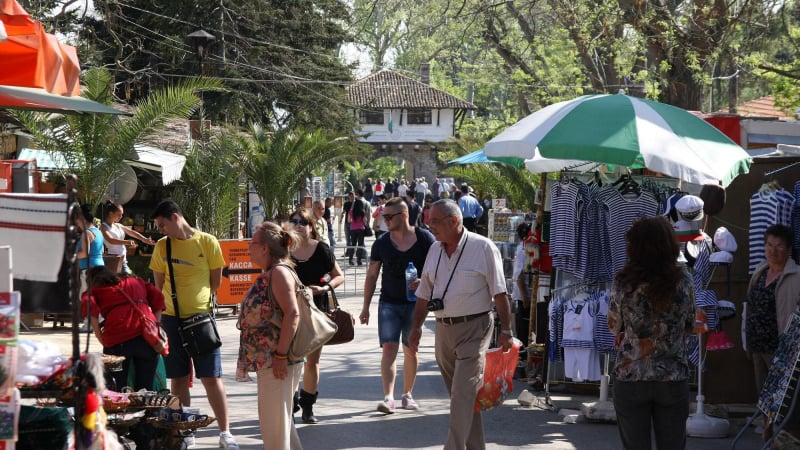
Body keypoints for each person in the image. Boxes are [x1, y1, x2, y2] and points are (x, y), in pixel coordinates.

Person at [409, 199, 513, 450]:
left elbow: (500, 292)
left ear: (454, 221)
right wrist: (416, 328)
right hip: (443, 329)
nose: (429, 225)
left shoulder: (483, 247)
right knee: (465, 398)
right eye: (428, 220)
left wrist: (507, 330)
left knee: (462, 394)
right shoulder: (434, 249)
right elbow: (424, 292)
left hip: (474, 328)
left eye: (435, 221)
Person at [148, 200, 239, 450]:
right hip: (170, 320)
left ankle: (225, 433)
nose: (161, 230)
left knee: (211, 377)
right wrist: (157, 322)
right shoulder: (161, 246)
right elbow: (157, 287)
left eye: (162, 224)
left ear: (175, 218)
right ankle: (183, 431)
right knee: (177, 379)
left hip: (201, 320)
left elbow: (215, 282)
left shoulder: (207, 242)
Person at [607, 216, 695, 450]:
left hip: (631, 375)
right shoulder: (684, 281)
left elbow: (614, 326)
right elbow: (689, 325)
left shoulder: (623, 282)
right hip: (672, 376)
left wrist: (628, 332)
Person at [360, 197, 435, 414]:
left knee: (411, 348)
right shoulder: (382, 242)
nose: (385, 221)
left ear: (403, 216)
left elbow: (438, 268)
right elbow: (372, 275)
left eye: (388, 217)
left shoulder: (424, 238)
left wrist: (426, 282)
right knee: (389, 349)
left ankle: (407, 394)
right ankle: (388, 397)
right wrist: (365, 306)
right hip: (389, 303)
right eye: (383, 216)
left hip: (416, 304)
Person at [236, 222, 303, 450]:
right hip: (273, 361)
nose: (248, 247)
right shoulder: (274, 272)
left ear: (265, 248)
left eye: (252, 243)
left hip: (277, 362)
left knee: (275, 433)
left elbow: (292, 314)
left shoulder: (279, 273)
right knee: (282, 429)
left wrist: (281, 356)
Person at [287, 209, 345, 423]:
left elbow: (339, 276)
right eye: (294, 221)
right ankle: (290, 405)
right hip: (288, 310)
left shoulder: (321, 249)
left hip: (315, 311)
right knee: (289, 360)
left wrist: (324, 288)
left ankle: (308, 406)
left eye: (304, 221)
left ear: (311, 226)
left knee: (312, 361)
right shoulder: (283, 249)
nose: (299, 225)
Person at [745, 224, 800, 394]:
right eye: (769, 245)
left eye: (779, 246)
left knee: (782, 401)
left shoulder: (796, 276)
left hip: (781, 350)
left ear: (788, 249)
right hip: (757, 347)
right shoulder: (759, 272)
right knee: (763, 397)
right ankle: (765, 422)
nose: (773, 251)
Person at [99, 201, 156, 273]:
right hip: (113, 262)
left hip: (122, 260)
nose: (121, 217)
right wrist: (127, 242)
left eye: (122, 215)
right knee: (130, 280)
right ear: (111, 213)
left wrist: (144, 239)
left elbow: (132, 232)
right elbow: (111, 240)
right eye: (119, 214)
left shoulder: (118, 225)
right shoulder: (103, 227)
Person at [345, 189, 370, 266]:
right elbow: (365, 221)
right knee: (360, 244)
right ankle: (359, 260)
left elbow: (349, 220)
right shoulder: (362, 212)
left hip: (353, 228)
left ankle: (350, 259)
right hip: (361, 229)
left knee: (353, 244)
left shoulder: (351, 211)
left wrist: (353, 221)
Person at [340, 191, 354, 257]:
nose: (351, 197)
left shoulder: (356, 203)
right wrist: (340, 219)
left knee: (353, 239)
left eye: (352, 196)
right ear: (348, 196)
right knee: (348, 239)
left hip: (354, 223)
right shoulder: (346, 203)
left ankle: (351, 252)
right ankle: (348, 252)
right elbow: (343, 212)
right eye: (350, 196)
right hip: (347, 223)